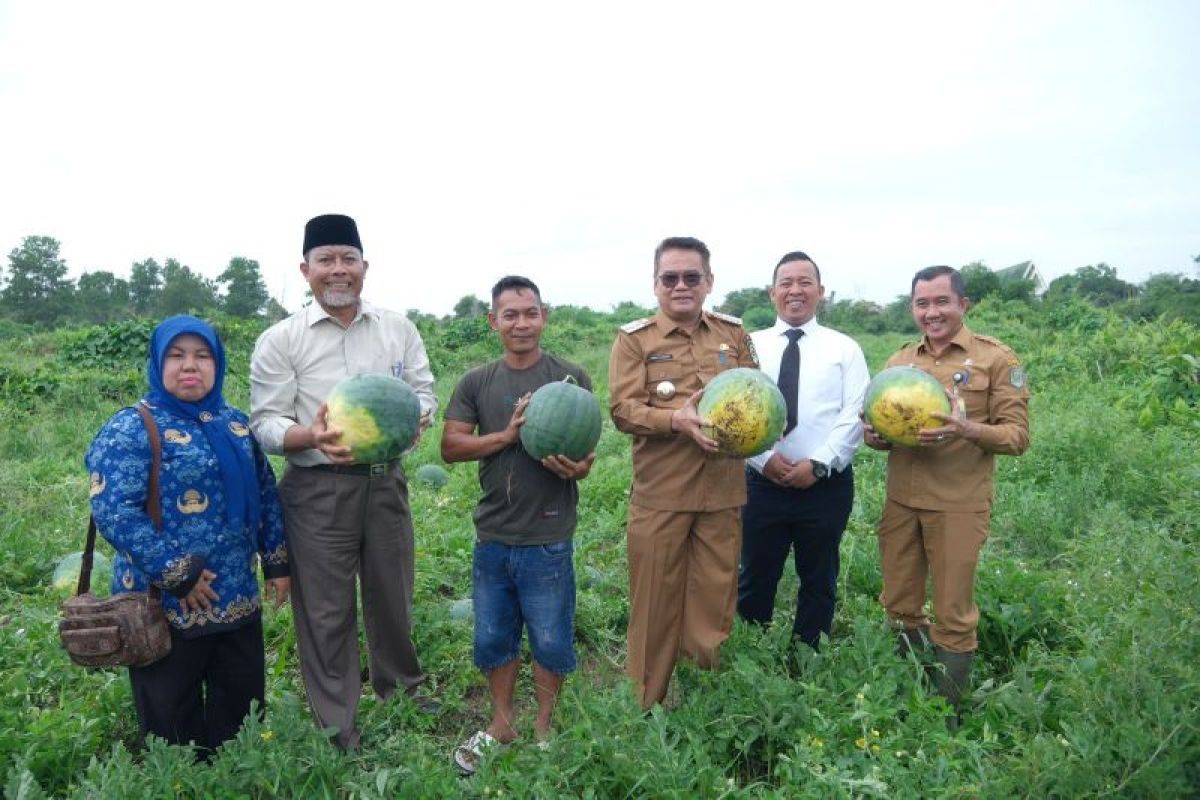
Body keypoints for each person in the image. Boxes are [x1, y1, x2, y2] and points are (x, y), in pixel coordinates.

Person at [249, 213, 437, 751]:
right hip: (317, 490)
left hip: (384, 482)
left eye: (347, 260)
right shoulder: (281, 339)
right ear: (305, 269)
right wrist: (308, 435)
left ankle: (401, 689)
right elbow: (264, 421)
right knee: (326, 610)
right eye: (326, 260)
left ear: (364, 267)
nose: (338, 271)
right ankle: (338, 723)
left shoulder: (397, 328)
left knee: (392, 595)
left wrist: (416, 417)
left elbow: (423, 390)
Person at [86, 315, 290, 757]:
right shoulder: (131, 428)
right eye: (176, 356)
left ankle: (232, 775)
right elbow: (114, 510)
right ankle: (181, 779)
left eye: (201, 356)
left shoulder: (236, 426)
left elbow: (266, 492)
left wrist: (277, 564)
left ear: (217, 365)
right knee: (171, 716)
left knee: (240, 708)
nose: (189, 366)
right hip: (162, 603)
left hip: (236, 594)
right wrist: (179, 575)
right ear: (158, 363)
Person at [440, 276, 595, 773]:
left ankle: (545, 726)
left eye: (530, 313)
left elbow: (587, 455)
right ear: (494, 322)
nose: (521, 323)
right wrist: (508, 436)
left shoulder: (571, 377)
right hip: (493, 535)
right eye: (510, 314)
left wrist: (579, 468)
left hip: (548, 536)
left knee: (550, 638)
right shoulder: (476, 382)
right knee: (492, 638)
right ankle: (501, 723)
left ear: (544, 316)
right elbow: (450, 447)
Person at [862, 265, 1030, 722]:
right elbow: (876, 428)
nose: (931, 313)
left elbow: (1016, 437)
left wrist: (967, 429)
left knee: (954, 611)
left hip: (958, 504)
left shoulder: (997, 360)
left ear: (963, 305)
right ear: (912, 307)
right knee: (899, 603)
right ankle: (908, 695)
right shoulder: (899, 362)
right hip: (901, 502)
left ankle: (945, 713)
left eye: (941, 302)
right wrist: (875, 436)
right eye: (922, 303)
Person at [609, 236, 758, 710]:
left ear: (708, 282)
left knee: (713, 605)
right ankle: (646, 706)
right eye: (669, 277)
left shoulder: (733, 335)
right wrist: (675, 419)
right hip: (661, 495)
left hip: (722, 493)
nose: (680, 286)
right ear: (655, 284)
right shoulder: (635, 340)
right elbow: (622, 409)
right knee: (654, 605)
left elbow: (756, 395)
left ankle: (698, 707)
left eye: (691, 277)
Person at [737, 251, 869, 649]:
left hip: (825, 485)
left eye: (805, 282)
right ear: (771, 292)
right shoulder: (748, 347)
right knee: (755, 573)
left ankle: (808, 655)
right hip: (762, 484)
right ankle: (752, 652)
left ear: (821, 292)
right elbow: (734, 412)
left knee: (820, 575)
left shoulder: (845, 349)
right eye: (786, 283)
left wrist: (818, 463)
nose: (795, 290)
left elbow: (854, 413)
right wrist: (763, 460)